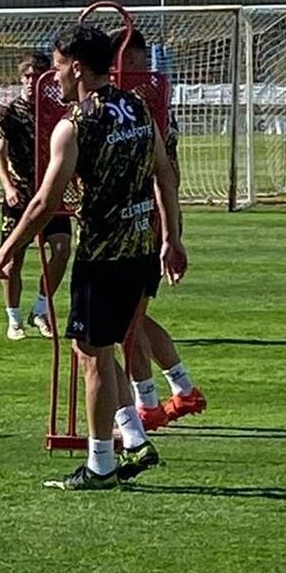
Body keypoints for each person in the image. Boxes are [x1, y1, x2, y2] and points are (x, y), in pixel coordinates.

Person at [0, 24, 186, 491]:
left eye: (57, 67)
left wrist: (8, 248)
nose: (53, 77)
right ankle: (134, 438)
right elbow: (165, 173)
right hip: (142, 247)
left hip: (103, 255)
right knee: (96, 351)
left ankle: (101, 464)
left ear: (76, 67)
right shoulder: (138, 107)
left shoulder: (75, 125)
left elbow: (43, 202)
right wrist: (172, 239)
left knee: (93, 357)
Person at [110, 27, 206, 429]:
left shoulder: (140, 105)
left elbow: (164, 173)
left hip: (139, 223)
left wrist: (168, 229)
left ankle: (148, 406)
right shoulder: (150, 102)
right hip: (145, 219)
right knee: (131, 317)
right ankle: (183, 390)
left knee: (125, 322)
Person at [0, 52, 73, 340]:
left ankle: (41, 309)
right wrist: (8, 186)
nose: (30, 81)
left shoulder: (56, 111)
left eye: (36, 76)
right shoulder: (8, 113)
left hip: (51, 191)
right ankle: (13, 319)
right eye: (26, 76)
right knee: (14, 259)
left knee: (62, 249)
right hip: (22, 194)